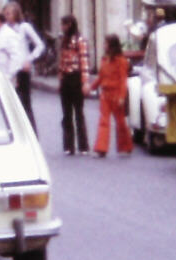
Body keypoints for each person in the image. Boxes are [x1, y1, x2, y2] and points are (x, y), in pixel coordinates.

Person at [88, 33, 133, 156]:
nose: (104, 45)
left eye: (106, 43)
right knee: (104, 121)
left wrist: (122, 97)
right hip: (105, 95)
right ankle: (101, 148)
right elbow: (101, 78)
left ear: (111, 45)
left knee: (120, 123)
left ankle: (126, 145)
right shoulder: (104, 60)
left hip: (116, 94)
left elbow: (123, 80)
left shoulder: (121, 61)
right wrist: (90, 87)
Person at [5, 0, 47, 127]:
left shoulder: (24, 28)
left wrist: (29, 59)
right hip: (10, 70)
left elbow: (39, 45)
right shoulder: (5, 30)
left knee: (26, 103)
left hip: (22, 69)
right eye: (5, 14)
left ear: (16, 14)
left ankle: (31, 132)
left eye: (9, 13)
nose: (7, 17)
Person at [56, 15, 90, 155]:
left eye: (64, 25)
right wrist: (60, 80)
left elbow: (84, 61)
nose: (62, 28)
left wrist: (85, 82)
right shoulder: (64, 40)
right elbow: (62, 62)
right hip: (66, 78)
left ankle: (83, 146)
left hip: (76, 77)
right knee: (66, 114)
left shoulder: (80, 40)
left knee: (79, 113)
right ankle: (68, 146)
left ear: (69, 24)